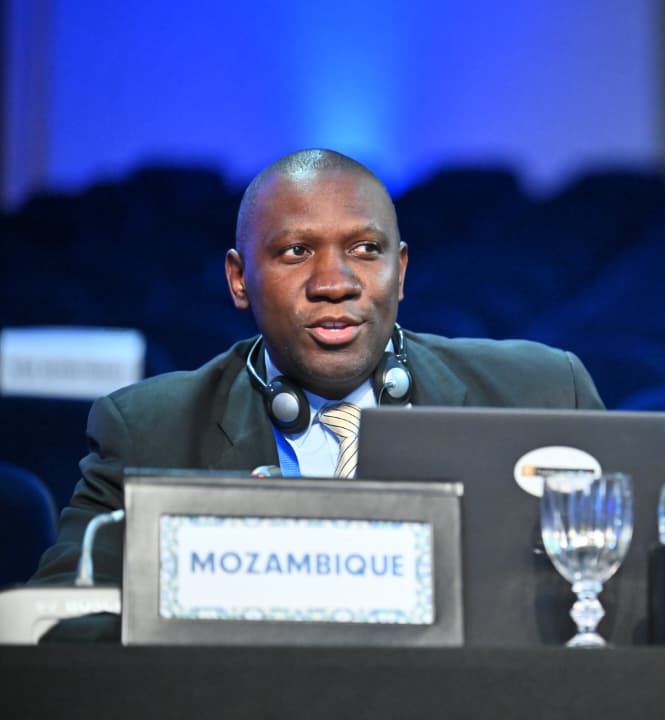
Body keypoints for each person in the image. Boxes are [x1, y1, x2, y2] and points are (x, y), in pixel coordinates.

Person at [31, 148, 604, 587]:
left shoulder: (545, 394)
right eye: (296, 252)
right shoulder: (147, 431)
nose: (334, 283)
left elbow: (619, 597)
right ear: (239, 280)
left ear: (401, 272)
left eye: (365, 250)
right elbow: (63, 625)